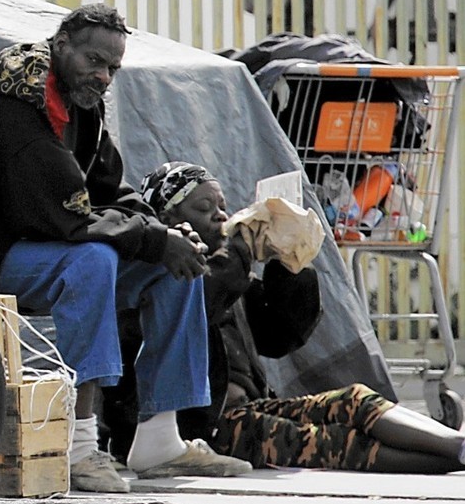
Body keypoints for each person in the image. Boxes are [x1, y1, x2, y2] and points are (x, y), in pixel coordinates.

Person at [0, 3, 250, 492]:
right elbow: (63, 216)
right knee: (93, 259)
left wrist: (166, 234)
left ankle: (159, 439)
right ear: (61, 47)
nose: (103, 76)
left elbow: (109, 188)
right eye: (93, 61)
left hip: (33, 247)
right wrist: (151, 239)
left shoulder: (80, 104)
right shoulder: (18, 107)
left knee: (175, 267)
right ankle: (81, 446)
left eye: (112, 68)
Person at [104, 161, 465, 474]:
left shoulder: (227, 272)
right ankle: (455, 458)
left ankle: (456, 446)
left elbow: (280, 336)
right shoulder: (155, 278)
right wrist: (240, 249)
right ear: (168, 220)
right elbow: (203, 300)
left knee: (355, 398)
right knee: (333, 441)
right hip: (202, 428)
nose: (220, 216)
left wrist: (288, 264)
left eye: (222, 206)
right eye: (204, 208)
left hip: (246, 412)